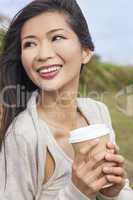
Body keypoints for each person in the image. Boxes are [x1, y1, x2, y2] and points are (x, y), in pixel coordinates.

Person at [0, 0, 133, 199]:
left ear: (86, 52)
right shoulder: (24, 135)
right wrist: (76, 192)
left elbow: (119, 192)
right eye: (30, 43)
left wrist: (113, 193)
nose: (43, 55)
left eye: (57, 37)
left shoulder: (98, 113)